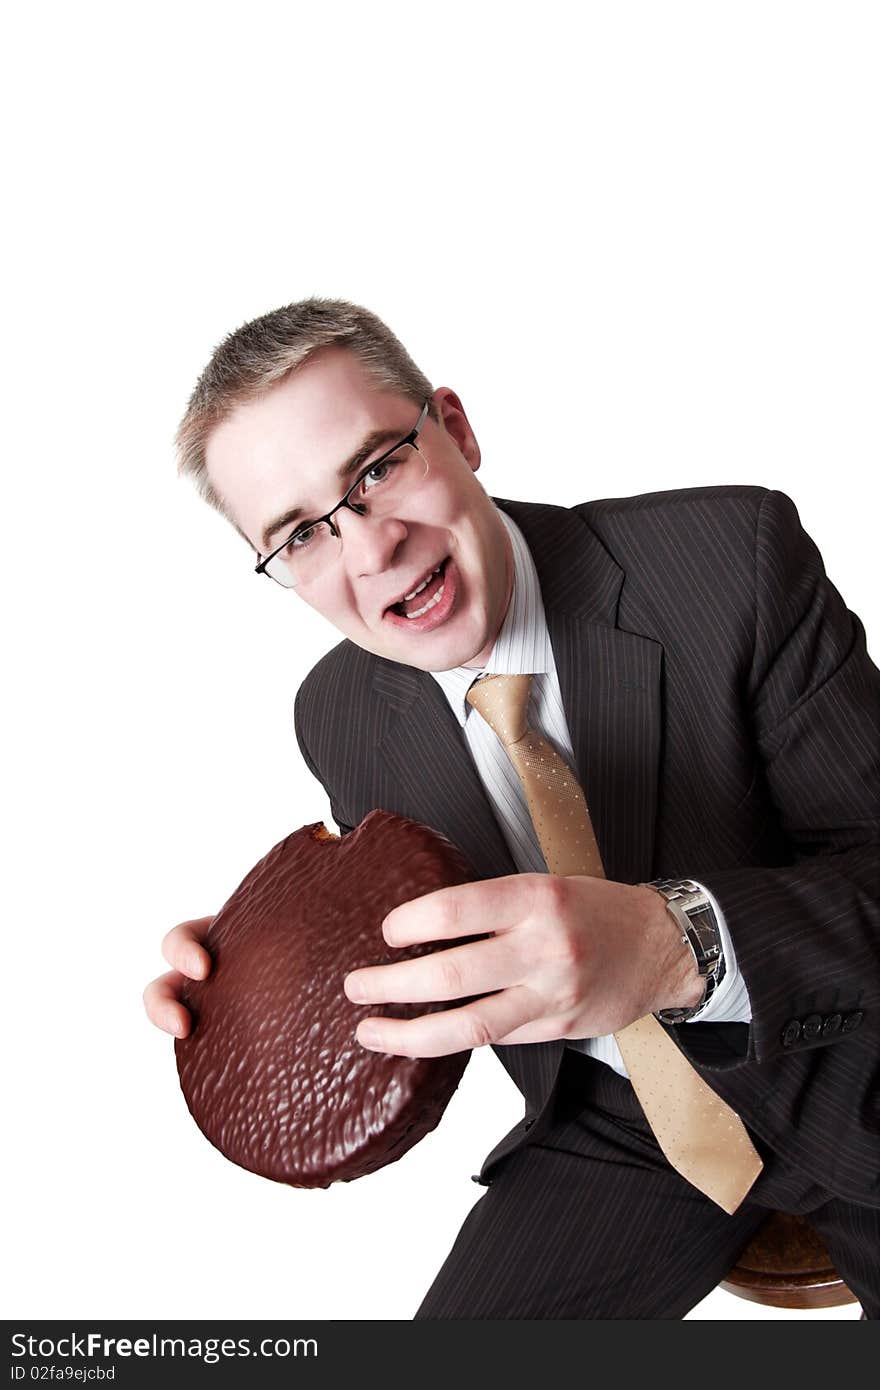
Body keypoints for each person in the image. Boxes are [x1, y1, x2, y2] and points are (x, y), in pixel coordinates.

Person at [143, 299, 880, 1318]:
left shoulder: (732, 558)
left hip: (852, 1063)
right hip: (617, 1132)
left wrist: (673, 943)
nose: (371, 548)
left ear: (455, 427)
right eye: (303, 533)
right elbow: (417, 964)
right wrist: (261, 978)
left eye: (375, 469)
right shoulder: (338, 713)